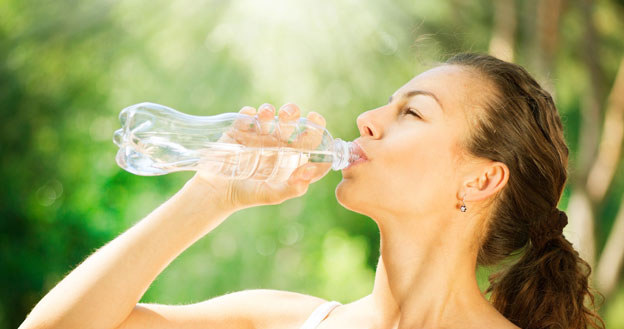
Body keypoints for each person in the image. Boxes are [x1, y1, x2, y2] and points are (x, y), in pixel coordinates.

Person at [20, 53, 604, 329]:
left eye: (413, 113)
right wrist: (214, 193)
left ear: (479, 179)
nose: (369, 119)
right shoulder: (278, 320)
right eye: (387, 103)